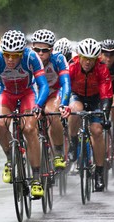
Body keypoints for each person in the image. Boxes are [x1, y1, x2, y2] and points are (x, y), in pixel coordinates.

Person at [0, 30, 49, 198]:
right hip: (6, 94)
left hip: (27, 94)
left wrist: (38, 106)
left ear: (22, 53)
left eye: (15, 56)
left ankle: (36, 178)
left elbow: (43, 85)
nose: (10, 59)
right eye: (7, 55)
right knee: (1, 124)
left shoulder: (31, 57)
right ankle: (10, 158)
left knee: (29, 129)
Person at [67, 38, 113, 191]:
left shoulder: (102, 68)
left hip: (95, 99)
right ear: (79, 57)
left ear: (96, 59)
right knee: (75, 110)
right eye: (85, 59)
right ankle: (73, 142)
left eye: (91, 59)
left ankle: (99, 173)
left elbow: (106, 94)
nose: (87, 62)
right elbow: (66, 88)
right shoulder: (72, 66)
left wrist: (105, 114)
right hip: (77, 96)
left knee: (97, 131)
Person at [30, 29, 72, 169]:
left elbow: (66, 83)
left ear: (52, 50)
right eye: (37, 49)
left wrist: (64, 104)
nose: (40, 53)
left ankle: (59, 151)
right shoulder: (27, 59)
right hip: (34, 93)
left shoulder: (58, 59)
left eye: (45, 50)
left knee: (50, 112)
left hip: (54, 92)